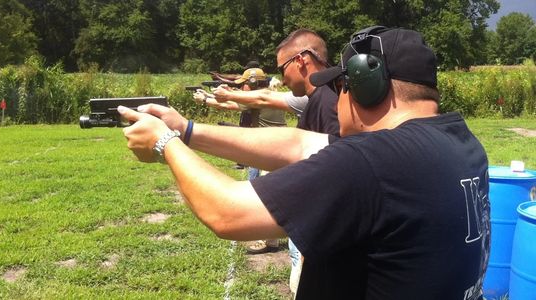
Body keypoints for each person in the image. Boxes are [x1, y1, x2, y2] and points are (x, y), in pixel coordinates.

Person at [119, 26, 490, 299]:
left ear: (365, 84)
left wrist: (164, 143)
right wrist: (187, 130)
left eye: (341, 85)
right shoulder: (459, 143)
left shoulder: (371, 161)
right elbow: (298, 143)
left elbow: (227, 213)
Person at [194, 67, 286, 254]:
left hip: (269, 149)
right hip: (271, 148)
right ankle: (272, 239)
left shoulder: (258, 97)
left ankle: (265, 237)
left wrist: (205, 99)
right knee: (268, 193)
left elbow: (229, 105)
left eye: (244, 84)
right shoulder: (266, 93)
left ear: (252, 84)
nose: (242, 87)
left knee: (262, 196)